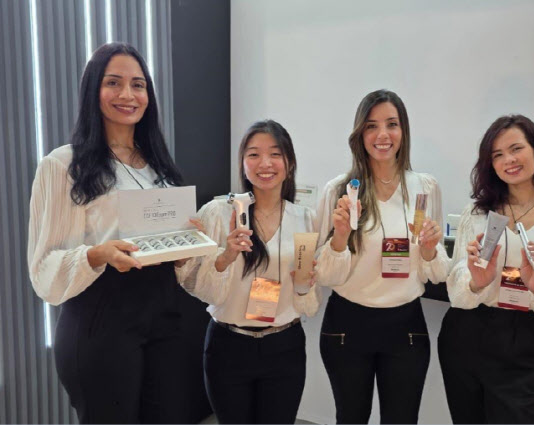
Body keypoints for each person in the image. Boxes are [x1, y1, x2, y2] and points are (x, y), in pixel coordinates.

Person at [27, 42, 211, 423]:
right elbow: (43, 267)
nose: (128, 94)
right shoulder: (63, 165)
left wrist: (185, 242)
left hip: (165, 315)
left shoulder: (157, 165)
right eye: (113, 82)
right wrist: (97, 254)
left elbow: (169, 254)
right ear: (93, 90)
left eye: (138, 85)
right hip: (101, 316)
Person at [440, 114, 534, 424]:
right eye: (497, 154)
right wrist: (477, 282)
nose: (508, 160)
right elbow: (456, 289)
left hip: (519, 337)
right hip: (463, 334)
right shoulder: (477, 213)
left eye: (516, 149)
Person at [315, 89, 450, 424]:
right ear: (360, 134)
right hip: (347, 325)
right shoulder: (340, 190)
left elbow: (436, 272)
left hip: (406, 326)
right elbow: (325, 275)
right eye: (371, 126)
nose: (382, 135)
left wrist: (430, 249)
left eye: (392, 124)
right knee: (351, 417)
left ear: (403, 130)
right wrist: (340, 237)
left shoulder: (425, 187)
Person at [176, 120, 321, 424]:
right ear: (242, 164)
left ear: (290, 163)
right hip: (228, 345)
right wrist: (225, 256)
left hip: (284, 345)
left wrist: (305, 285)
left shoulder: (305, 219)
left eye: (275, 154)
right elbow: (193, 285)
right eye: (254, 154)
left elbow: (308, 303)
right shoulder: (217, 213)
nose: (265, 163)